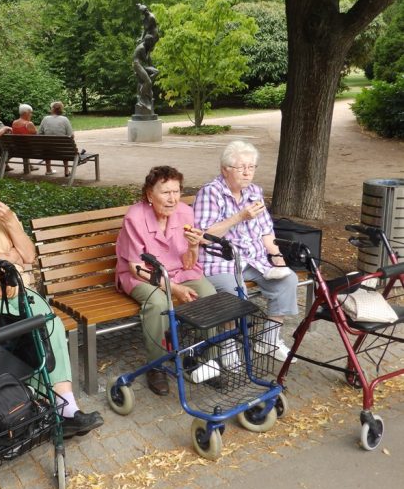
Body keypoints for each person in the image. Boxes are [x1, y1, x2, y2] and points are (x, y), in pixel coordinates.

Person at [0, 163, 103, 439]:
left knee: (50, 324)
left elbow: (28, 255)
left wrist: (10, 224)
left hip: (21, 295)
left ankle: (68, 408)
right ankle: (50, 407)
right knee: (32, 329)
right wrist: (9, 256)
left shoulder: (6, 218)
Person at [116, 167, 226, 396]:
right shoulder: (135, 217)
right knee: (158, 304)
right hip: (142, 276)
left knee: (208, 293)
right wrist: (173, 289)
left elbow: (188, 264)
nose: (172, 198)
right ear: (149, 194)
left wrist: (193, 246)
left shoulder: (185, 212)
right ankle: (156, 366)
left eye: (176, 192)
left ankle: (208, 360)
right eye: (165, 192)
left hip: (179, 272)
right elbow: (136, 267)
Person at [194, 140, 298, 362]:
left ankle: (269, 340)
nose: (247, 173)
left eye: (251, 167)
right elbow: (203, 236)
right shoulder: (210, 193)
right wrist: (240, 217)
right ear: (225, 169)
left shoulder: (254, 192)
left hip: (254, 259)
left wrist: (277, 256)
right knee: (234, 291)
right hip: (220, 261)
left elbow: (266, 230)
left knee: (287, 279)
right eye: (241, 167)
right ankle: (228, 347)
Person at [38, 101, 73, 176]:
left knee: (46, 145)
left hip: (48, 150)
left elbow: (39, 133)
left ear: (52, 109)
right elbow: (71, 135)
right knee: (65, 145)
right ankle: (66, 171)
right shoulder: (65, 119)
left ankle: (48, 170)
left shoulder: (45, 119)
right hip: (62, 150)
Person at [10, 103, 39, 172]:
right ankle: (29, 166)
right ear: (26, 113)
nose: (31, 115)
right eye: (30, 113)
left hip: (17, 148)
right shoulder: (29, 124)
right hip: (30, 149)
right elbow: (37, 135)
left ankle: (29, 165)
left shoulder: (14, 122)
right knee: (26, 144)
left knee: (23, 144)